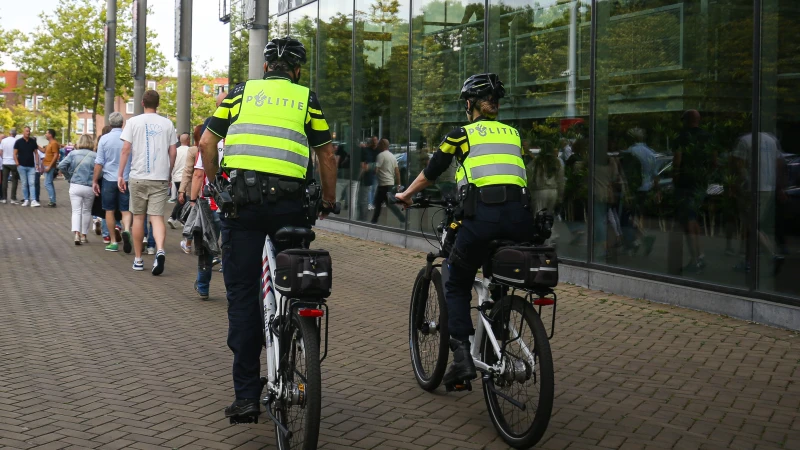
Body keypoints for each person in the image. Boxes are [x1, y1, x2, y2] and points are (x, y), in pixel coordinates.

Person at [197, 36, 337, 420]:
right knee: (296, 279)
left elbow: (208, 142)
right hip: (291, 207)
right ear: (296, 71)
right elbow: (326, 154)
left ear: (264, 67)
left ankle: (246, 396)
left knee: (242, 296)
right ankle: (295, 334)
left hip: (241, 207)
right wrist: (327, 199)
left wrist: (216, 186)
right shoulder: (306, 99)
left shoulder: (240, 94)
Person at [395, 73, 532, 386]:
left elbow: (432, 172)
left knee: (455, 282)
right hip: (521, 221)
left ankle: (462, 358)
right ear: (495, 105)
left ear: (470, 104)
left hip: (483, 219)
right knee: (497, 280)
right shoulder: (513, 134)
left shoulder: (461, 134)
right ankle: (496, 351)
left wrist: (406, 194)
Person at [118, 90, 177, 274]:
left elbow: (126, 149)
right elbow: (173, 151)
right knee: (157, 217)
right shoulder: (167, 123)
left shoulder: (133, 122)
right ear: (157, 104)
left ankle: (138, 259)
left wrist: (120, 174)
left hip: (138, 177)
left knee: (138, 218)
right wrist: (168, 173)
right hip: (159, 178)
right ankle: (159, 249)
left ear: (142, 103)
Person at [673, 110, 713, 274]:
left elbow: (677, 161)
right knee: (693, 217)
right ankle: (700, 255)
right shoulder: (708, 137)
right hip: (700, 183)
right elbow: (714, 160)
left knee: (688, 220)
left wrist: (675, 179)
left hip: (686, 184)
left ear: (686, 121)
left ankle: (695, 259)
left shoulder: (681, 137)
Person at [93, 112, 133, 253]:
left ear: (110, 124)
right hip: (126, 179)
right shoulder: (129, 138)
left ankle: (113, 242)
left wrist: (95, 181)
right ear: (122, 123)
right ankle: (127, 230)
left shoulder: (104, 139)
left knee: (109, 210)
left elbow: (99, 162)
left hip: (109, 179)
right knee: (126, 209)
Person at [58, 135, 97, 244]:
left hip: (75, 185)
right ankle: (84, 235)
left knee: (76, 211)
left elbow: (61, 165)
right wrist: (95, 179)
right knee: (86, 211)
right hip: (89, 186)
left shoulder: (73, 153)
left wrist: (68, 176)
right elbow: (100, 171)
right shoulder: (95, 155)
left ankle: (76, 234)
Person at [527, 146, 564, 244]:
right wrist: (560, 197)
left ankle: (540, 238)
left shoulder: (536, 162)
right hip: (553, 191)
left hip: (539, 191)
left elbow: (529, 177)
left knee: (538, 215)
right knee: (549, 214)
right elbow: (561, 181)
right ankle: (550, 235)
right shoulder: (557, 163)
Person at [371, 138, 405, 224]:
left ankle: (374, 221)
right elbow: (397, 171)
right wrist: (399, 184)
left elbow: (376, 170)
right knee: (389, 204)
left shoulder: (380, 156)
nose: (378, 146)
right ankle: (403, 219)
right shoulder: (392, 156)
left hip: (383, 184)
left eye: (379, 144)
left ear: (382, 145)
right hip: (390, 183)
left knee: (378, 203)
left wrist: (369, 170)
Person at [14, 126, 42, 207]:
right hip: (21, 166)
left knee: (32, 183)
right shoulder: (18, 142)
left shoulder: (33, 142)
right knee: (24, 183)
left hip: (31, 166)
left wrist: (37, 164)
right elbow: (14, 153)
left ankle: (33, 200)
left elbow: (36, 153)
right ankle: (26, 199)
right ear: (23, 132)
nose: (28, 132)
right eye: (26, 131)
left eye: (29, 131)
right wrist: (17, 163)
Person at [168, 132, 191, 229]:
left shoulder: (175, 151)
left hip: (176, 178)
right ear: (188, 140)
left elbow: (171, 164)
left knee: (182, 198)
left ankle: (181, 218)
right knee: (184, 199)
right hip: (185, 178)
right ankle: (174, 217)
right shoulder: (190, 150)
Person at [1, 128, 20, 204]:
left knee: (4, 180)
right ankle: (13, 198)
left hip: (5, 162)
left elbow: (1, 152)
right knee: (14, 180)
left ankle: (4, 198)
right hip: (13, 162)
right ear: (15, 135)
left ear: (9, 133)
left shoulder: (3, 141)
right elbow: (17, 152)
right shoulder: (16, 141)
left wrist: (4, 158)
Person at [42, 129, 60, 207]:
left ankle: (52, 201)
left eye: (46, 133)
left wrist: (50, 166)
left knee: (47, 183)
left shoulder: (54, 143)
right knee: (49, 183)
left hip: (49, 165)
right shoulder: (49, 143)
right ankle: (52, 200)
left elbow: (56, 155)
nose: (45, 134)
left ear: (50, 135)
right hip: (47, 165)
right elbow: (43, 150)